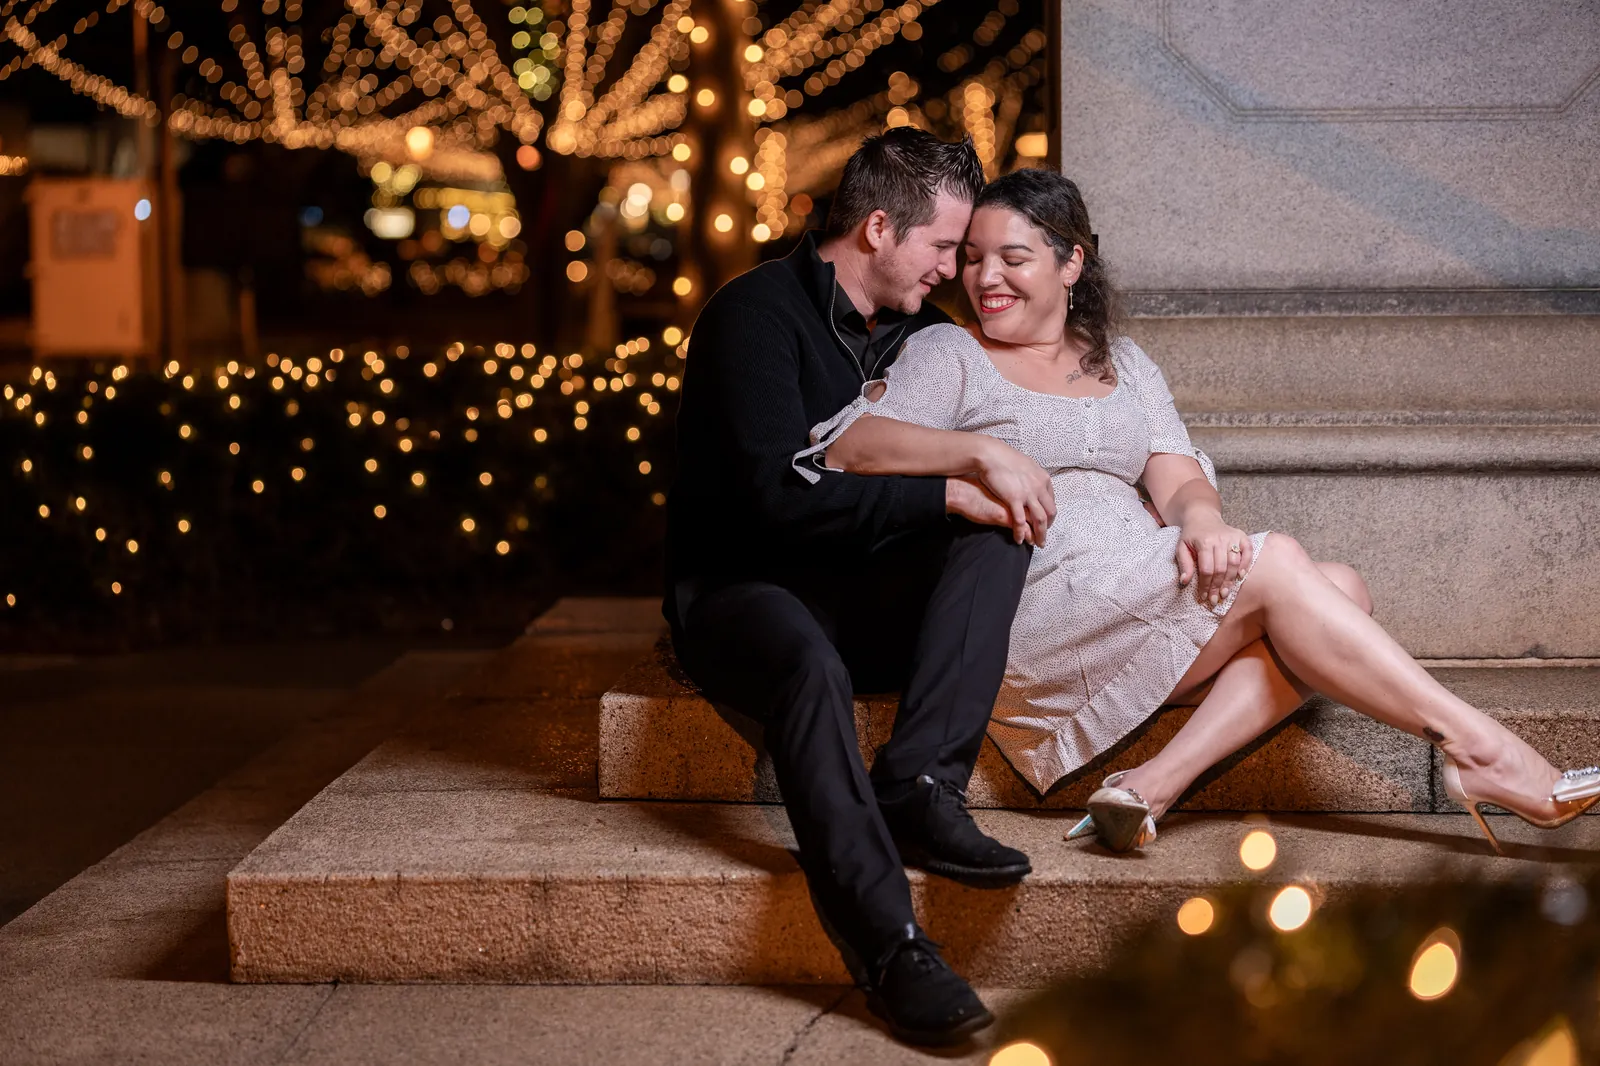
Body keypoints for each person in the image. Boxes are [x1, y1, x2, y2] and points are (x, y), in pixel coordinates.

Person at [806, 167, 1600, 854]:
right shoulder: (950, 353)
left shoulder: (1123, 363)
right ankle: (1485, 752)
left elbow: (1179, 480)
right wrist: (980, 453)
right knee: (1284, 565)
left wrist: (1204, 522)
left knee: (1342, 588)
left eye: (1012, 259)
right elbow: (849, 446)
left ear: (1071, 262)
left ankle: (1149, 787)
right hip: (1034, 603)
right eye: (974, 259)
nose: (985, 279)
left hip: (1133, 582)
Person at [663, 129, 1057, 1047]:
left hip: (862, 590)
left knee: (998, 531)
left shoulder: (929, 336)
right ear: (879, 228)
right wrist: (941, 493)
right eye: (943, 247)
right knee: (810, 668)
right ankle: (893, 949)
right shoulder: (752, 316)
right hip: (745, 591)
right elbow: (773, 506)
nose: (955, 271)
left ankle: (920, 784)